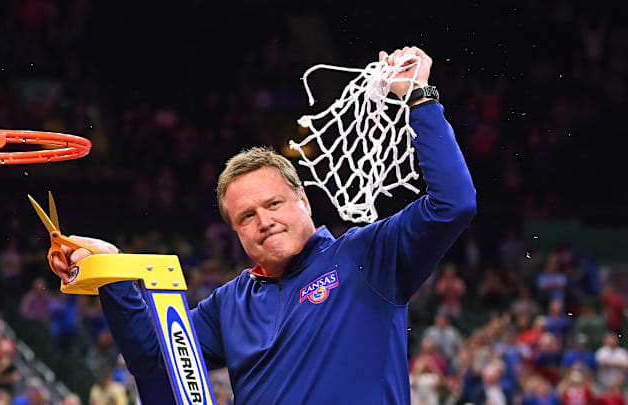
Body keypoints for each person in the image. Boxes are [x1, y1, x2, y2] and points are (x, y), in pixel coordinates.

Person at [48, 46, 477, 404]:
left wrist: (421, 97)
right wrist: (113, 272)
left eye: (273, 204)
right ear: (235, 231)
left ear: (303, 200)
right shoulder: (228, 304)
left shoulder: (366, 255)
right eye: (246, 216)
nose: (264, 222)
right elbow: (154, 361)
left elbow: (453, 204)